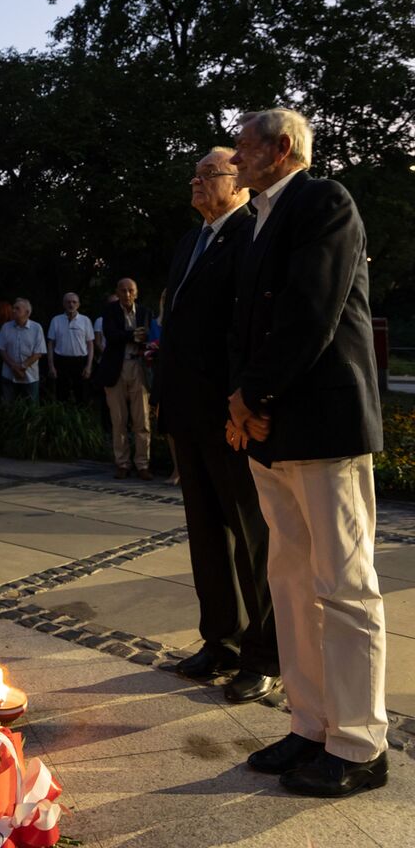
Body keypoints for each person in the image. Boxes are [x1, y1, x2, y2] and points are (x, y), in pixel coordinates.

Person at [227, 108, 387, 798]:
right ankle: (311, 723)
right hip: (278, 428)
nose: (235, 157)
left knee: (344, 586)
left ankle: (359, 743)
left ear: (280, 148)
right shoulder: (260, 216)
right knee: (290, 582)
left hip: (323, 424)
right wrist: (242, 403)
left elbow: (309, 311)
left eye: (243, 144)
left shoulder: (324, 200)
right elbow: (251, 320)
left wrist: (254, 395)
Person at [153, 149, 279, 703]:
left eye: (209, 174)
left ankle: (265, 654)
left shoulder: (252, 234)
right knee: (206, 536)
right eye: (196, 174)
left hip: (228, 414)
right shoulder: (190, 239)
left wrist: (243, 401)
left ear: (239, 183)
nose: (196, 182)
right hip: (187, 412)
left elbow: (248, 328)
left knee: (252, 538)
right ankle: (219, 640)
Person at [98, 279, 152, 479]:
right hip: (116, 369)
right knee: (119, 419)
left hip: (139, 367)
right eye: (123, 290)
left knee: (142, 419)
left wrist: (143, 337)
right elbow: (111, 335)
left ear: (136, 293)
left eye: (131, 290)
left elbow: (151, 336)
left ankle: (143, 464)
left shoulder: (145, 312)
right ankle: (122, 463)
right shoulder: (110, 311)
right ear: (117, 292)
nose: (127, 294)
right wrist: (132, 336)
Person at [0, 299, 46, 403]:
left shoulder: (36, 328)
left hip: (30, 376)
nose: (13, 310)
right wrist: (13, 366)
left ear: (27, 312)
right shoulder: (6, 327)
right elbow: (1, 349)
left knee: (31, 410)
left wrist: (22, 366)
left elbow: (38, 352)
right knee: (8, 407)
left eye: (17, 308)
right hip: (9, 375)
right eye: (13, 308)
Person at [47, 293, 95, 403]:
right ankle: (63, 419)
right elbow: (50, 344)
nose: (71, 304)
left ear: (78, 304)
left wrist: (89, 366)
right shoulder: (56, 320)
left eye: (74, 302)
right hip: (61, 361)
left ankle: (82, 419)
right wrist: (51, 366)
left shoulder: (85, 320)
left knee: (82, 395)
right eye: (68, 302)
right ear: (64, 304)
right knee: (61, 395)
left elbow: (90, 344)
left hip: (80, 361)